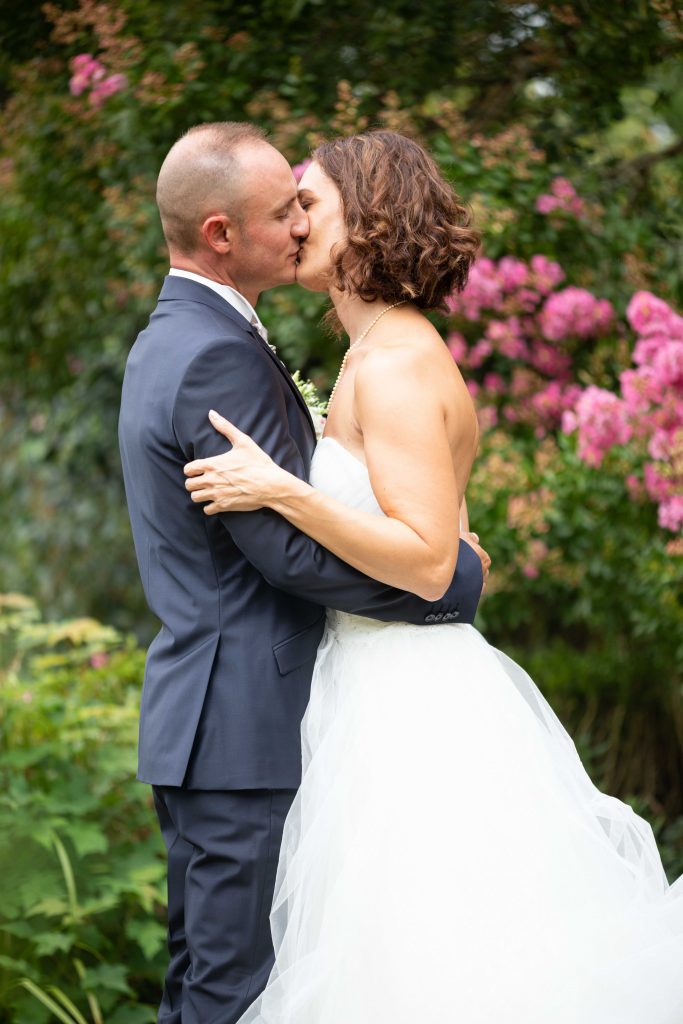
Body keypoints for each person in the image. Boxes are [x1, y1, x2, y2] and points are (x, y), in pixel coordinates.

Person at [184, 130, 683, 1023]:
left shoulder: (400, 363)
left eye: (311, 205)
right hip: (366, 681)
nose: (295, 224)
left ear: (365, 224)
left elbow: (425, 562)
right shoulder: (367, 354)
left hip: (408, 703)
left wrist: (280, 492)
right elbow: (445, 536)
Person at [118, 122, 489, 1024]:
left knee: (231, 980)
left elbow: (373, 527)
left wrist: (432, 564)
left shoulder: (189, 336)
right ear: (219, 233)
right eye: (285, 208)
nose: (293, 225)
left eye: (304, 204)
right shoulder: (216, 347)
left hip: (265, 714)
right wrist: (455, 587)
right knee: (231, 989)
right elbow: (285, 553)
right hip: (242, 720)